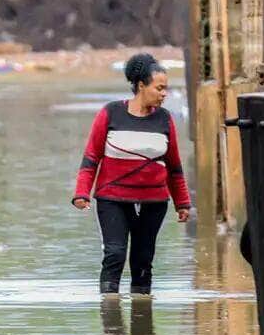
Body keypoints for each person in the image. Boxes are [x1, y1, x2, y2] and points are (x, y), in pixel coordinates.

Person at [73, 53, 192, 295]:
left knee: (143, 260)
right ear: (141, 86)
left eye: (166, 88)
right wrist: (81, 193)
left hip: (154, 201)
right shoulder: (110, 113)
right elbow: (91, 158)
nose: (164, 93)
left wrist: (182, 203)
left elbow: (174, 166)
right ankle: (111, 318)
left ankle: (141, 321)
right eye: (159, 88)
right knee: (114, 254)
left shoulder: (165, 119)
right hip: (112, 198)